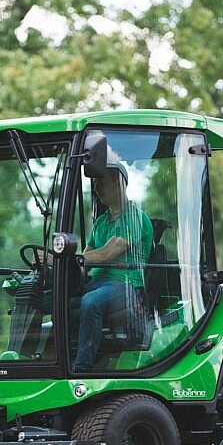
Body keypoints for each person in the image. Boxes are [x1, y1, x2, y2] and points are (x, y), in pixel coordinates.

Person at [74, 157, 153, 372]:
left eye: (102, 182)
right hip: (97, 282)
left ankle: (82, 369)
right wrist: (54, 262)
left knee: (90, 301)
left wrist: (66, 258)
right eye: (95, 184)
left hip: (125, 286)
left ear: (120, 183)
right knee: (49, 298)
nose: (97, 188)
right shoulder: (101, 222)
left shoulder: (135, 217)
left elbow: (105, 255)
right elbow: (85, 257)